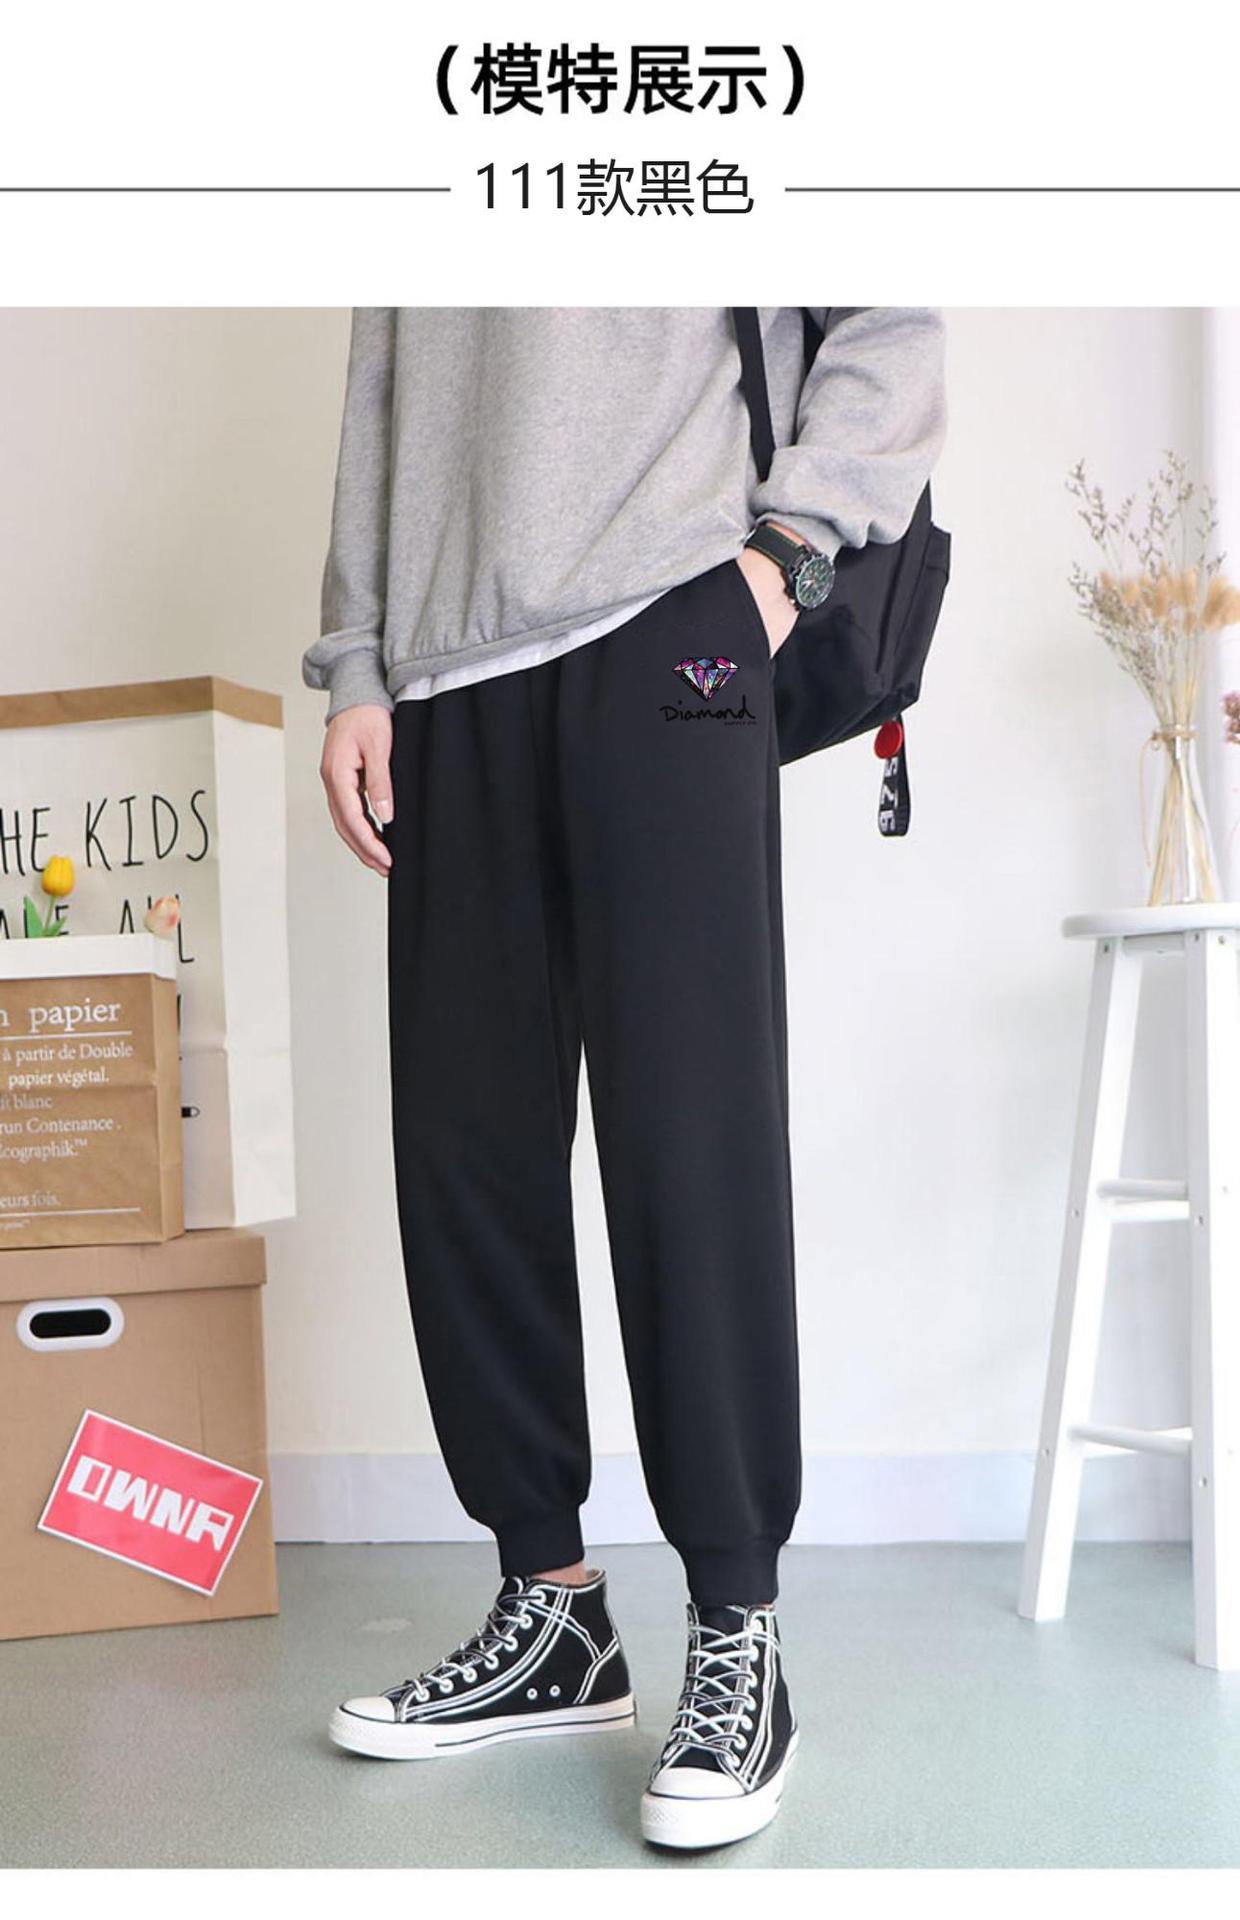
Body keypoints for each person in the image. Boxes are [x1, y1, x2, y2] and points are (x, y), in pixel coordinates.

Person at [304, 307, 946, 1850]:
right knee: (466, 1146)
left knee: (688, 1140)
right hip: (446, 674)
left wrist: (789, 559)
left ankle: (737, 1620)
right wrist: (357, 665)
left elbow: (888, 318)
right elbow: (383, 382)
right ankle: (552, 1612)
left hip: (673, 621)